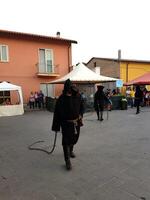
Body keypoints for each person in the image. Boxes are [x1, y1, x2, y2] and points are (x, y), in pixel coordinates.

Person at [51, 79, 84, 170]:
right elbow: (56, 114)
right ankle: (67, 161)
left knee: (75, 138)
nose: (70, 92)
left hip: (76, 122)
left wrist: (81, 114)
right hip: (65, 124)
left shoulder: (77, 96)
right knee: (66, 141)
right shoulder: (61, 99)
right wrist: (56, 126)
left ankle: (71, 151)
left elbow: (82, 106)